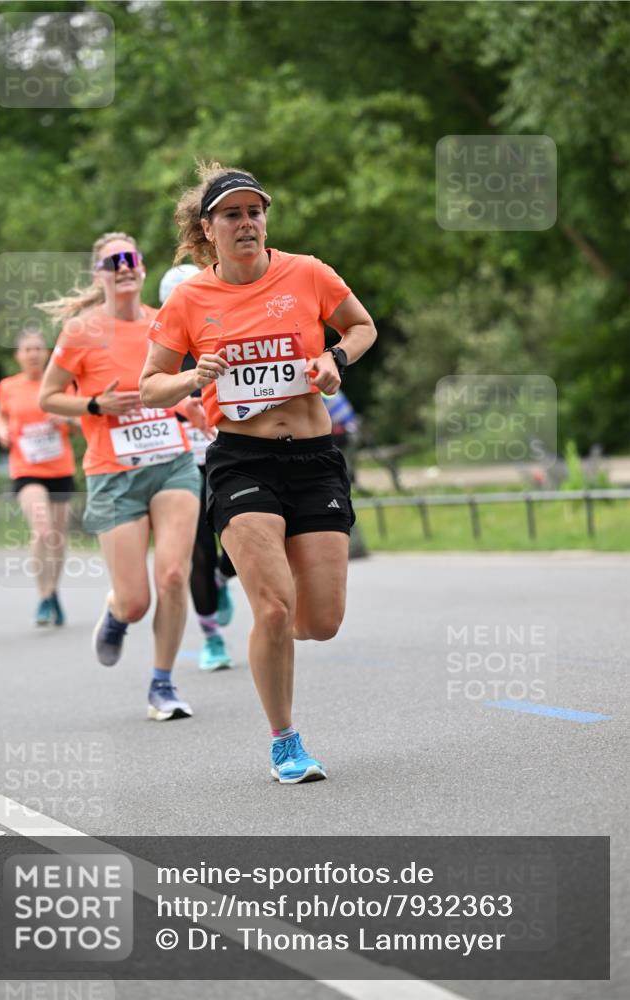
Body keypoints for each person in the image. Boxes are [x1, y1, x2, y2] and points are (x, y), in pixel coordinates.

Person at [140, 163, 377, 781]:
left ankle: (253, 583)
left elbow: (361, 325)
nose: (246, 223)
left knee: (318, 621)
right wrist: (193, 377)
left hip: (314, 460)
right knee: (272, 609)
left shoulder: (308, 273)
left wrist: (334, 359)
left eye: (254, 212)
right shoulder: (189, 299)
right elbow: (150, 386)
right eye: (232, 215)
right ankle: (285, 742)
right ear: (208, 228)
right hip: (243, 459)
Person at [38, 233, 201, 721]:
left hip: (172, 462)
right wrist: (94, 404)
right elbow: (48, 397)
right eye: (114, 261)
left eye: (132, 259)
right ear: (99, 275)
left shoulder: (163, 321)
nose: (125, 267)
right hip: (113, 474)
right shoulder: (82, 331)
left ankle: (162, 685)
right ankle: (115, 613)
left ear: (144, 269)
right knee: (135, 601)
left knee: (174, 575)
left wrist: (187, 404)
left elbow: (170, 386)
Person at [159, 265, 237, 672]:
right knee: (199, 555)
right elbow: (144, 397)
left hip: (230, 457)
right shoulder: (159, 353)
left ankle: (227, 576)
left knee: (245, 545)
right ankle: (212, 638)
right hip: (183, 468)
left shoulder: (225, 338)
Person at [0, 329, 76, 626]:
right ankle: (43, 596)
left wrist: (65, 417)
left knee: (57, 537)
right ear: (18, 355)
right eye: (27, 349)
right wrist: (1, 430)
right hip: (26, 469)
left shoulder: (60, 384)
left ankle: (53, 592)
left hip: (60, 469)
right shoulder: (8, 387)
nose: (33, 354)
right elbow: (0, 415)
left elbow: (83, 420)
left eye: (38, 349)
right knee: (41, 530)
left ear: (47, 353)